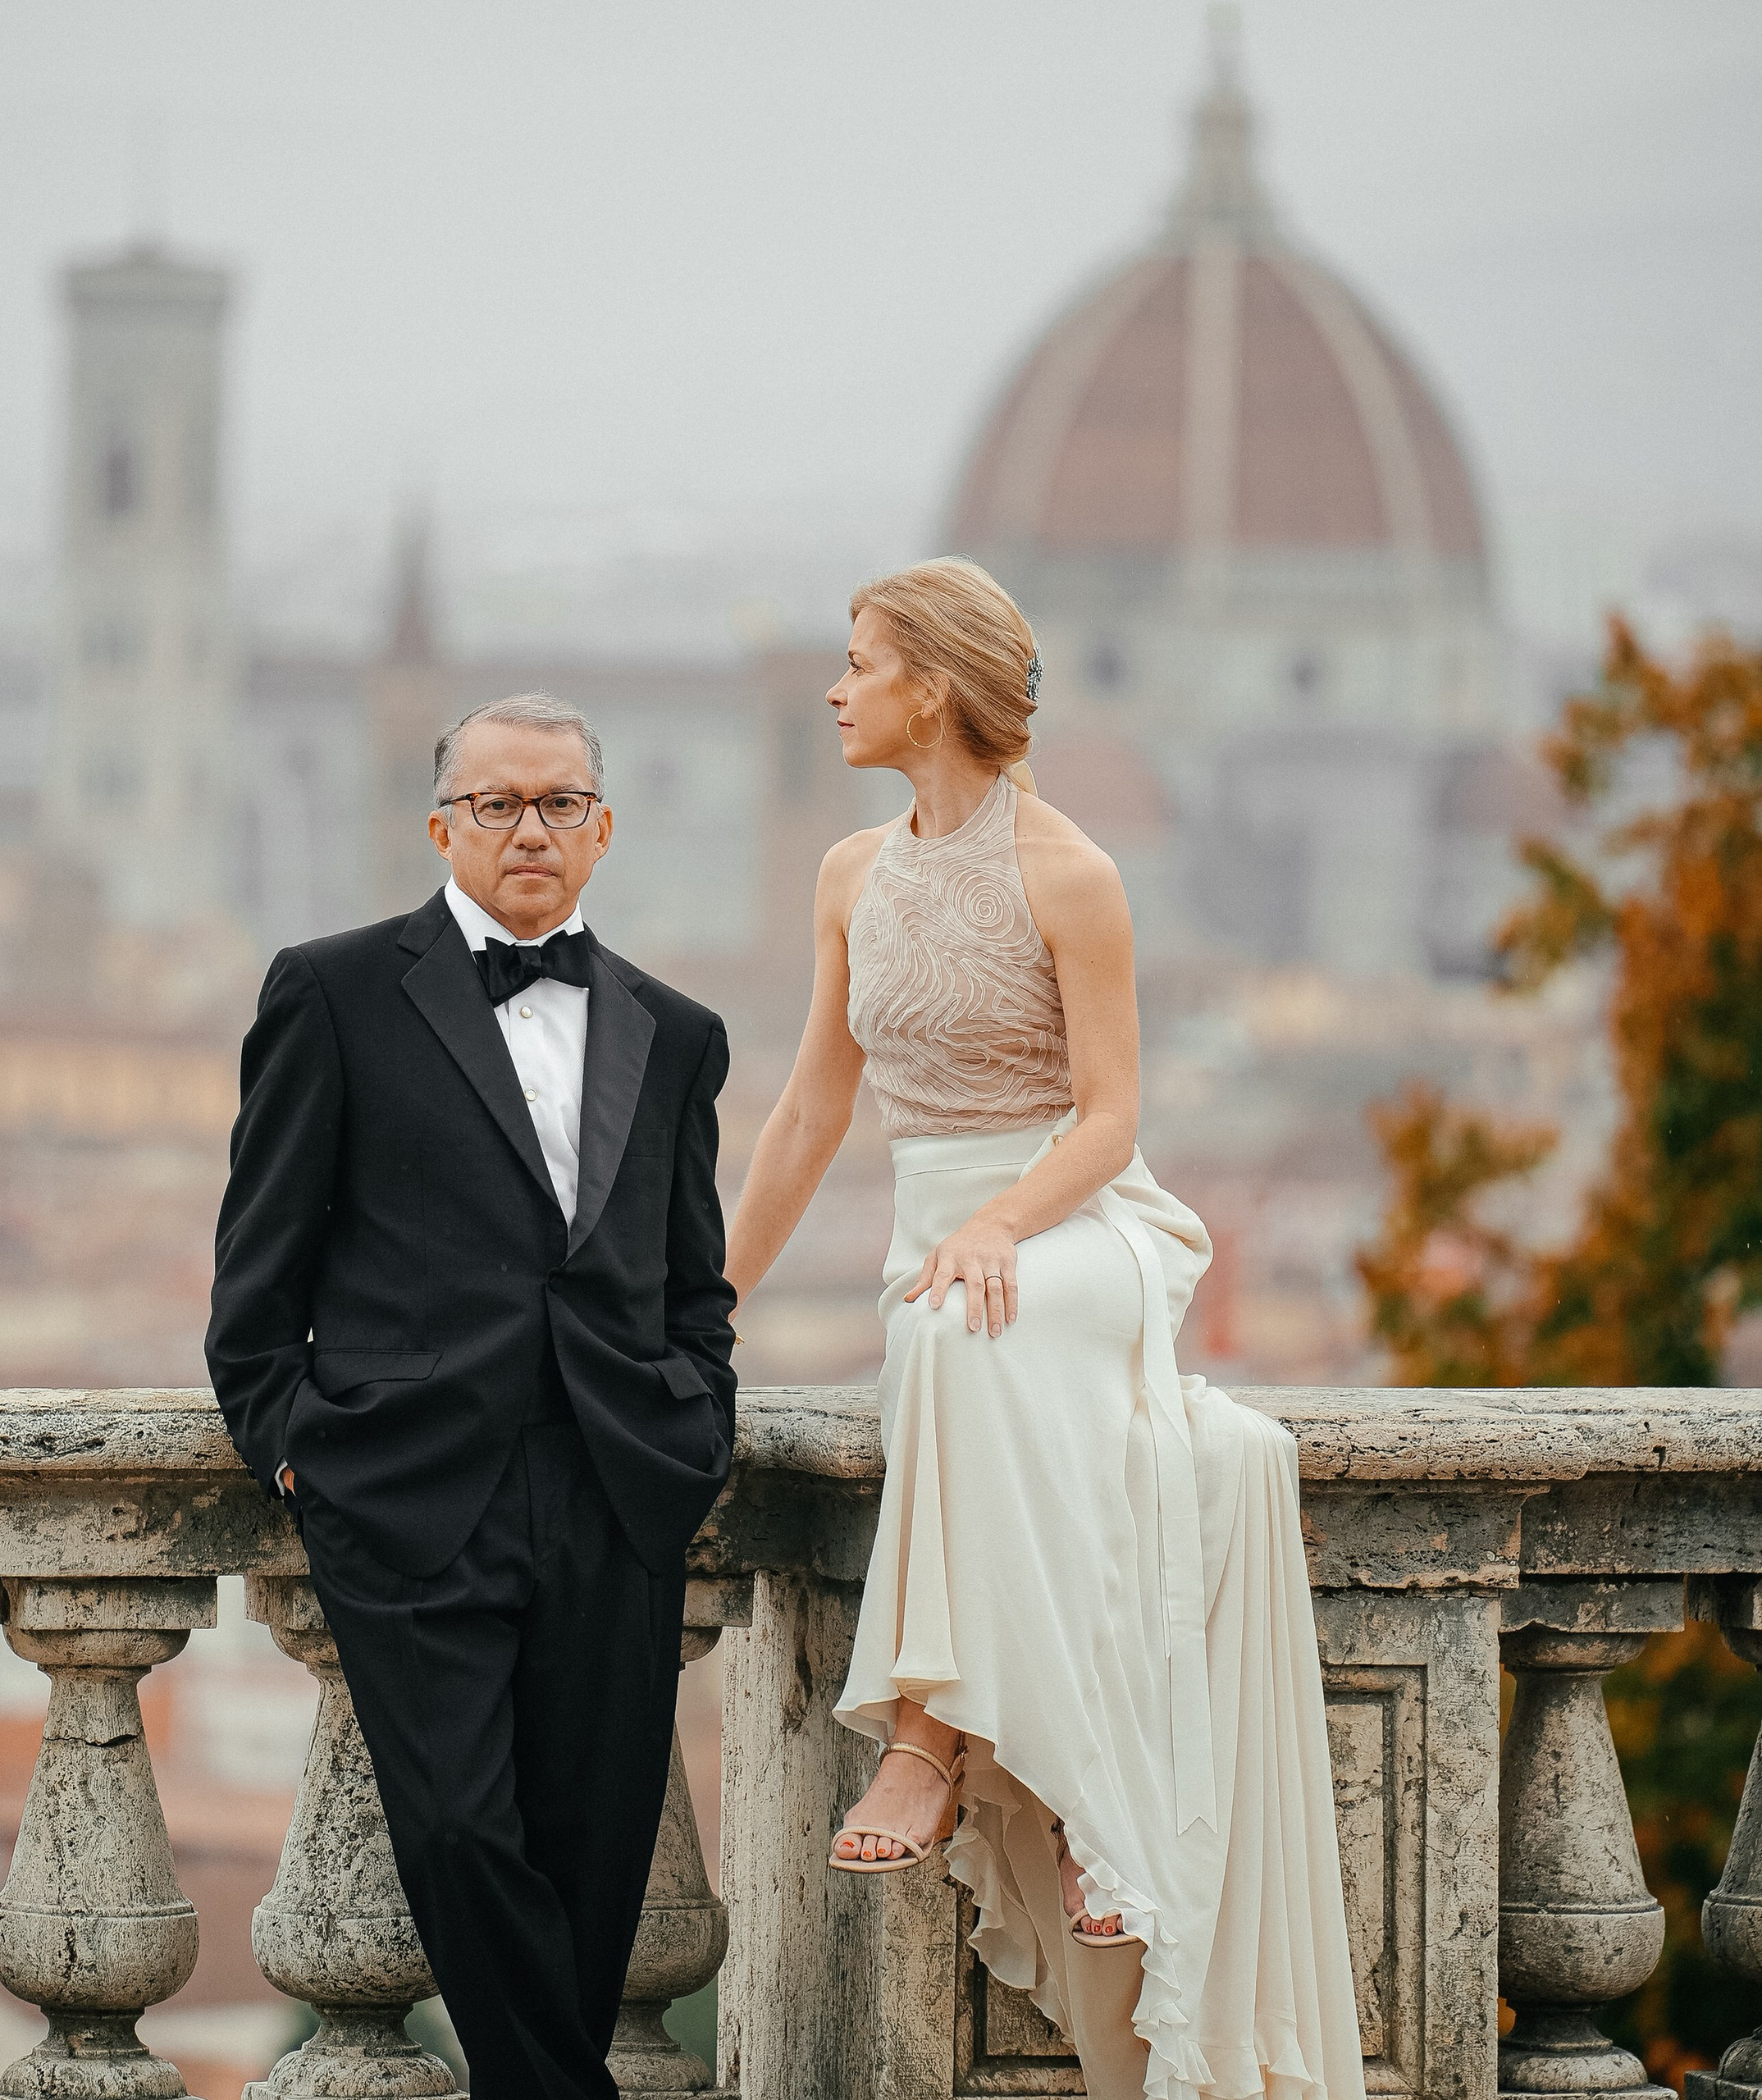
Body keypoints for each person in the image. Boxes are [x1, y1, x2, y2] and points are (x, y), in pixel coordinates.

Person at [724, 561, 1363, 2100]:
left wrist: (1005, 1222)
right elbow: (815, 1107)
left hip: (1083, 1226)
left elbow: (1114, 1114)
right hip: (942, 1239)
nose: (835, 687)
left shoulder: (1073, 873)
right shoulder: (847, 874)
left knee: (955, 1332)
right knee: (948, 1325)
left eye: (859, 661)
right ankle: (1069, 1788)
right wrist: (703, 1298)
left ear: (930, 688)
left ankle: (935, 1746)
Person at [206, 694, 737, 2100]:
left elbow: (696, 1285)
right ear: (441, 825)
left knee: (597, 1852)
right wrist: (302, 1456)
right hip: (407, 1494)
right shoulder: (328, 991)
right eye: (496, 803)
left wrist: (692, 1428)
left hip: (616, 1486)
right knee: (453, 1833)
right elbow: (256, 1286)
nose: (529, 830)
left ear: (604, 829)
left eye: (559, 802)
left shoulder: (678, 1034)